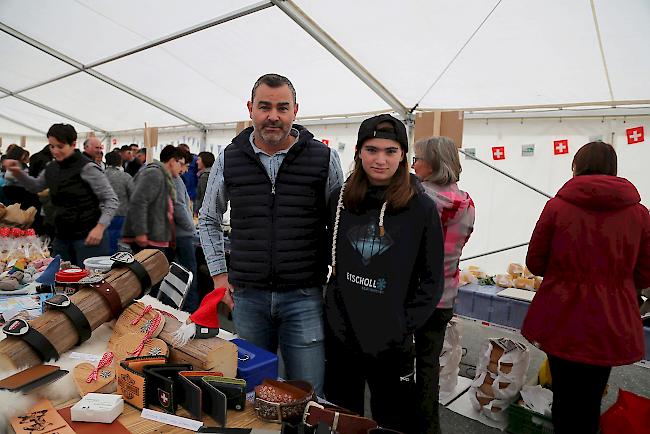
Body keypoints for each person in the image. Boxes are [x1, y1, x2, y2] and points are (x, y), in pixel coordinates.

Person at [199, 73, 343, 394]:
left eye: (282, 107)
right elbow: (208, 218)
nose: (273, 116)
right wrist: (219, 278)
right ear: (250, 109)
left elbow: (339, 225)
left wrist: (336, 278)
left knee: (307, 394)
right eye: (264, 107)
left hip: (304, 296)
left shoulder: (324, 159)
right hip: (248, 297)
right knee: (253, 391)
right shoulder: (229, 158)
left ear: (295, 110)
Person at [324, 114, 444, 433]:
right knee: (341, 417)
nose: (380, 159)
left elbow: (432, 279)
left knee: (391, 420)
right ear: (359, 152)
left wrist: (403, 324)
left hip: (390, 342)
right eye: (372, 149)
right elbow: (330, 258)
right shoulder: (341, 200)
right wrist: (332, 314)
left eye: (390, 151)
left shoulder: (421, 208)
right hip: (343, 336)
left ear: (403, 155)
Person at [521, 141, 650, 434]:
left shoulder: (557, 207)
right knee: (591, 399)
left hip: (561, 315)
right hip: (611, 319)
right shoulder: (639, 214)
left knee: (564, 395)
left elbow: (536, 262)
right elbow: (646, 273)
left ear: (576, 166)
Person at [412, 136, 475, 434]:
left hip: (413, 296)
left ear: (433, 163)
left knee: (398, 367)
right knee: (428, 367)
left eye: (417, 159)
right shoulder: (467, 202)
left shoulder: (417, 199)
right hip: (445, 294)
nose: (412, 165)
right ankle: (429, 427)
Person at [3, 124, 117, 266]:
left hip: (88, 236)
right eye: (52, 146)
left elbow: (111, 200)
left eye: (60, 146)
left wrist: (100, 228)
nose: (55, 151)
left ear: (73, 144)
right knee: (61, 281)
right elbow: (36, 186)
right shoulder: (51, 167)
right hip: (62, 236)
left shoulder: (87, 168)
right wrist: (17, 172)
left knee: (89, 282)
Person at [122, 144, 183, 263]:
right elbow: (139, 202)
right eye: (179, 163)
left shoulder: (164, 177)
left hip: (156, 236)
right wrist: (141, 233)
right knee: (151, 276)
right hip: (149, 239)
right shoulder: (155, 174)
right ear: (171, 161)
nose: (181, 168)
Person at [173, 146, 200, 312]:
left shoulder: (176, 180)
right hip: (182, 234)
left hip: (178, 233)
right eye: (184, 165)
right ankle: (191, 309)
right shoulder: (175, 181)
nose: (185, 170)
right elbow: (179, 207)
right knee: (190, 272)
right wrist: (192, 227)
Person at [104, 151, 134, 254]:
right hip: (121, 215)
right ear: (120, 162)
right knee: (121, 247)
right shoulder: (125, 177)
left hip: (102, 215)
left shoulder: (100, 176)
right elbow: (134, 196)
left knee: (105, 244)